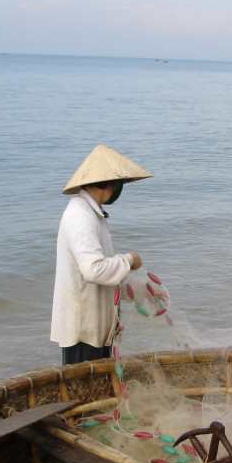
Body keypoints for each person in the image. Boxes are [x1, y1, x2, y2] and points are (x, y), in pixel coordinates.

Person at [51, 144, 152, 364]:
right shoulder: (80, 216)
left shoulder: (92, 213)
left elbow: (103, 270)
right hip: (83, 328)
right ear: (109, 185)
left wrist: (140, 289)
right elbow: (94, 270)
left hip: (94, 323)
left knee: (97, 385)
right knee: (83, 388)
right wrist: (129, 259)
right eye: (119, 185)